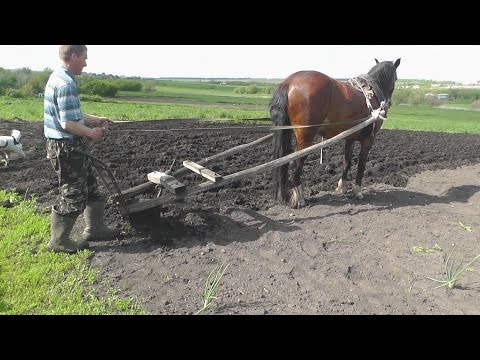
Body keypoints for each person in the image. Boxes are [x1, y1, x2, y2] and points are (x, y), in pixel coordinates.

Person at [44, 45, 120, 254]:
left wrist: (95, 120)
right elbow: (68, 124)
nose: (86, 63)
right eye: (84, 58)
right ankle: (58, 241)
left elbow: (72, 113)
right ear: (74, 56)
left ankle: (95, 229)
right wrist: (90, 132)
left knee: (91, 187)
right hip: (66, 148)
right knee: (72, 195)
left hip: (71, 146)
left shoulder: (58, 76)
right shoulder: (66, 83)